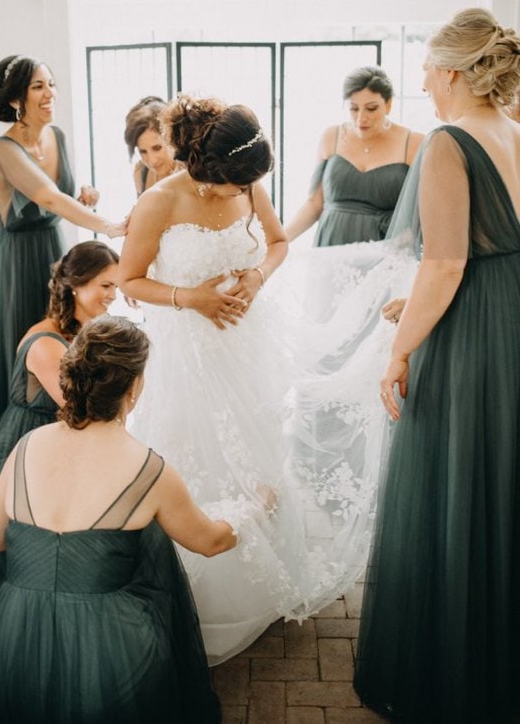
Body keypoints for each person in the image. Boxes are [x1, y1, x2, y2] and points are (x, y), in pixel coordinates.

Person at [118, 94, 366, 665]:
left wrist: (255, 277)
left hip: (245, 347)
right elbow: (130, 280)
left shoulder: (249, 180)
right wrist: (191, 298)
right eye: (234, 187)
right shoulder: (158, 202)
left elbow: (279, 243)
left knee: (256, 459)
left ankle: (259, 589)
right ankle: (197, 600)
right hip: (185, 354)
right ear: (207, 172)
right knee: (191, 457)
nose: (243, 195)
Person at [353, 8, 520, 722]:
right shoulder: (513, 131)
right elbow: (482, 251)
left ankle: (450, 663)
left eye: (425, 65)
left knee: (455, 474)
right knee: (500, 475)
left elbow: (447, 262)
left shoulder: (450, 141)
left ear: (452, 71)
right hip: (508, 311)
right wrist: (415, 303)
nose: (420, 78)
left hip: (472, 334)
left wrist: (399, 351)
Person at [0, 315, 235, 724]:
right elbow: (210, 542)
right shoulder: (148, 469)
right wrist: (248, 513)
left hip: (15, 638)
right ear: (133, 388)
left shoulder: (27, 445)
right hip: (109, 648)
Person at [0, 55, 127, 523]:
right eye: (38, 86)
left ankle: (65, 475)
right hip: (14, 265)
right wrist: (110, 225)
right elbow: (50, 198)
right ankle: (7, 491)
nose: (50, 93)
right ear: (16, 98)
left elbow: (67, 197)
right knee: (28, 366)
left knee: (64, 360)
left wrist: (86, 199)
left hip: (54, 253)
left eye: (52, 84)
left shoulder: (56, 137)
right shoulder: (2, 149)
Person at [0, 241, 120, 638]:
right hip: (20, 449)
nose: (113, 295)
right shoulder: (47, 344)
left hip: (51, 444)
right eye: (105, 286)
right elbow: (80, 408)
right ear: (75, 286)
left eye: (115, 286)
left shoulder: (83, 329)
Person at [285, 66, 424, 246]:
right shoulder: (331, 137)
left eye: (371, 108)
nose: (361, 118)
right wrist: (281, 240)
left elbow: (427, 208)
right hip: (331, 245)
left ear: (388, 104)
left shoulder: (413, 143)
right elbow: (314, 204)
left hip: (386, 250)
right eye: (353, 108)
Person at [124, 95, 181, 197]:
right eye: (143, 151)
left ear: (172, 138)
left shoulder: (191, 174)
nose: (152, 161)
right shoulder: (141, 173)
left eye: (157, 148)